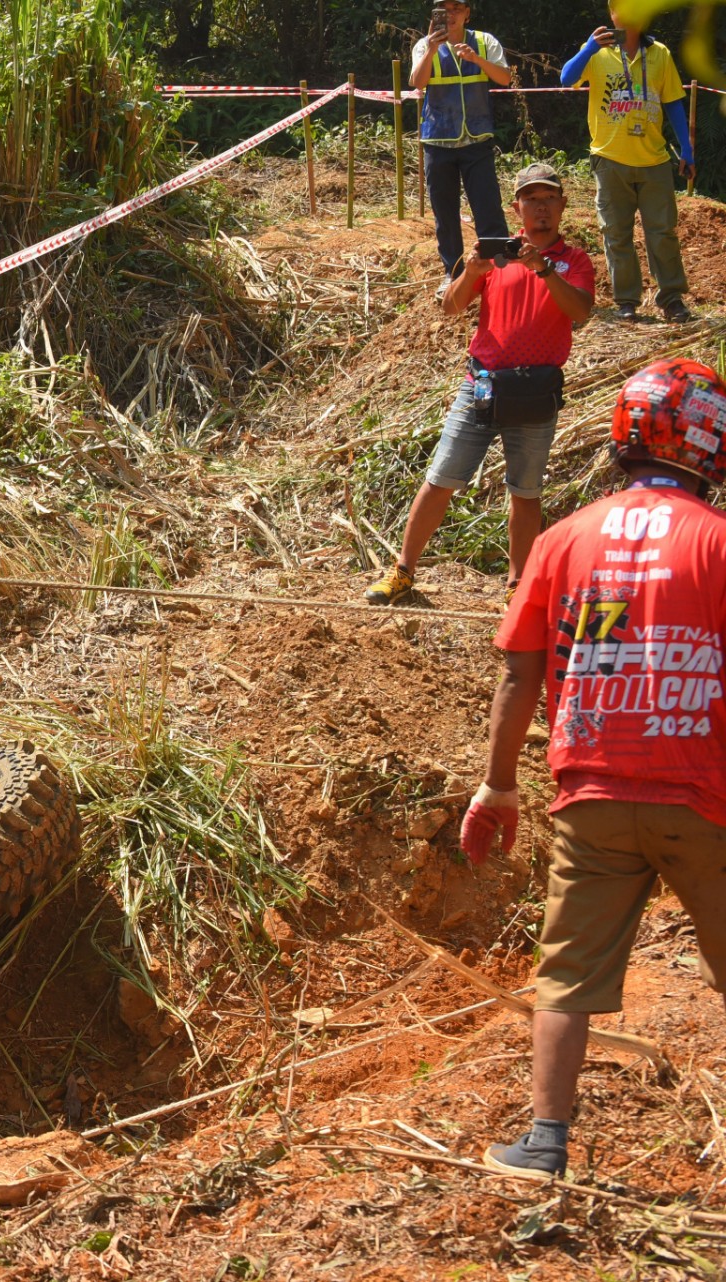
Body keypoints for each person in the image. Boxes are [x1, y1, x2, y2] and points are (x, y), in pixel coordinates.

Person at [460, 358, 726, 1179]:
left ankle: (544, 1143)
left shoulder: (560, 539)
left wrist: (498, 783)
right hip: (704, 797)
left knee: (566, 977)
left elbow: (519, 671)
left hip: (592, 792)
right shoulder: (718, 543)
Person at [365, 164, 595, 606]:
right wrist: (471, 271)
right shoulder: (498, 256)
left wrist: (544, 269)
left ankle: (517, 587)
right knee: (441, 478)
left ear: (563, 205)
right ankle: (403, 571)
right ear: (517, 208)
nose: (541, 207)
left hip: (536, 390)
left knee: (525, 492)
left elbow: (580, 311)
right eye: (532, 199)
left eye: (549, 198)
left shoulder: (574, 261)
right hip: (483, 385)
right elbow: (451, 308)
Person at [562, 10, 696, 323]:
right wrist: (588, 49)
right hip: (610, 159)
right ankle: (626, 302)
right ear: (613, 12)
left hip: (654, 160)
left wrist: (686, 150)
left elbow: (673, 102)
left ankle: (672, 299)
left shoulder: (659, 53)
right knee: (616, 234)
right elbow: (567, 79)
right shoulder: (597, 51)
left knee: (662, 233)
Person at [410, 0, 515, 277]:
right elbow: (417, 82)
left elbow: (505, 78)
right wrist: (433, 48)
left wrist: (477, 60)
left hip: (476, 141)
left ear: (467, 13)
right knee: (445, 216)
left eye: (456, 8)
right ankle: (453, 275)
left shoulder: (484, 42)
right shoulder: (424, 45)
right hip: (438, 143)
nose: (450, 14)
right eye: (443, 9)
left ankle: (500, 272)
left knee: (488, 209)